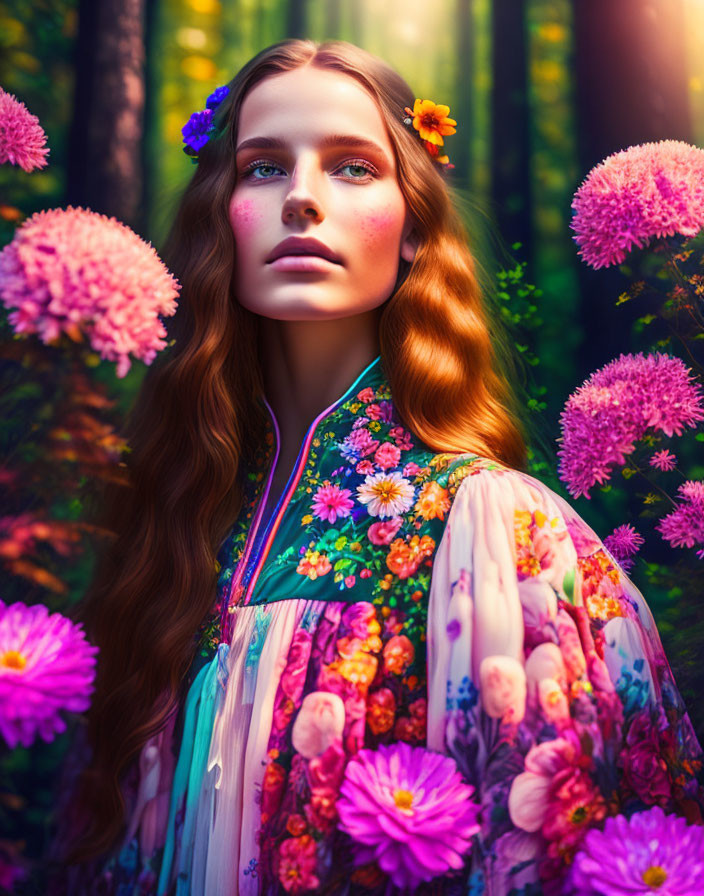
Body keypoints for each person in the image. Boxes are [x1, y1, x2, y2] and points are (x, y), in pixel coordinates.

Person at [47, 38, 704, 896]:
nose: (304, 201)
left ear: (413, 228)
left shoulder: (497, 528)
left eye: (354, 167)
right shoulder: (173, 528)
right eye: (264, 168)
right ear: (220, 213)